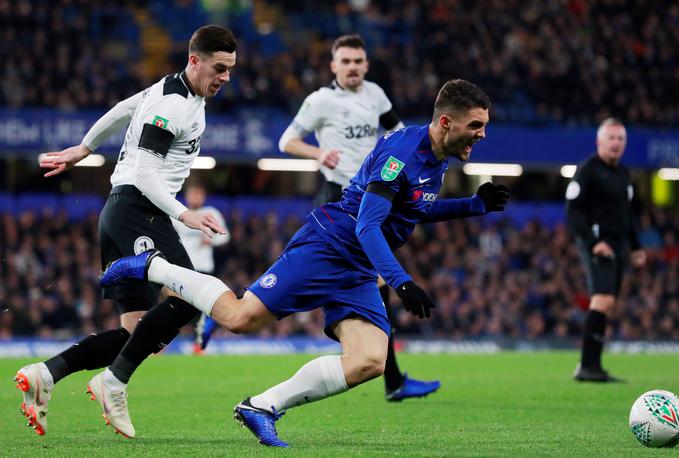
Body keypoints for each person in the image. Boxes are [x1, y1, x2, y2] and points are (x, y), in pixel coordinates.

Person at [99, 79, 510, 447]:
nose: (483, 134)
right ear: (444, 123)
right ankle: (152, 265)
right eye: (475, 125)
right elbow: (368, 226)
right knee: (242, 319)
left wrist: (473, 205)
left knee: (370, 360)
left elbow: (413, 210)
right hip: (331, 245)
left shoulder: (436, 160)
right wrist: (400, 282)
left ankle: (261, 407)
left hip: (358, 267)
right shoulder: (402, 153)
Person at [14, 25, 236, 437]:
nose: (225, 78)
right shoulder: (174, 106)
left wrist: (85, 147)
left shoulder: (170, 90)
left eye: (230, 70)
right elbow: (148, 173)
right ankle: (112, 384)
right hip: (141, 211)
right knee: (188, 299)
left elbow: (121, 108)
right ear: (195, 60)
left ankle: (47, 373)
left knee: (136, 333)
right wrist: (183, 213)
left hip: (120, 212)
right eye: (219, 68)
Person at [276, 33, 437, 401]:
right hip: (339, 197)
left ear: (366, 64)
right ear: (334, 65)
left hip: (373, 197)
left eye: (357, 61)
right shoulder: (320, 101)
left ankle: (390, 375)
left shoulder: (375, 95)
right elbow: (286, 141)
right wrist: (317, 154)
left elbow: (400, 133)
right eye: (345, 61)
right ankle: (388, 375)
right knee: (372, 282)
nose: (352, 67)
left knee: (377, 284)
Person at [566, 117, 647, 382]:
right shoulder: (588, 170)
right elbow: (574, 211)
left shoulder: (623, 174)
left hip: (618, 244)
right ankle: (587, 367)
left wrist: (635, 246)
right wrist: (593, 242)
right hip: (597, 244)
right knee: (602, 300)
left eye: (620, 139)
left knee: (608, 304)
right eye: (611, 138)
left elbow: (627, 215)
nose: (616, 143)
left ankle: (593, 366)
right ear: (600, 141)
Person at [169, 181, 230, 354]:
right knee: (176, 305)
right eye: (192, 193)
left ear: (203, 195)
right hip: (183, 267)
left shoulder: (210, 213)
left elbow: (224, 237)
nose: (195, 197)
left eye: (199, 193)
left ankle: (199, 344)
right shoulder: (178, 212)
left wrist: (211, 240)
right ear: (187, 195)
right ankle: (162, 343)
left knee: (202, 308)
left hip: (203, 267)